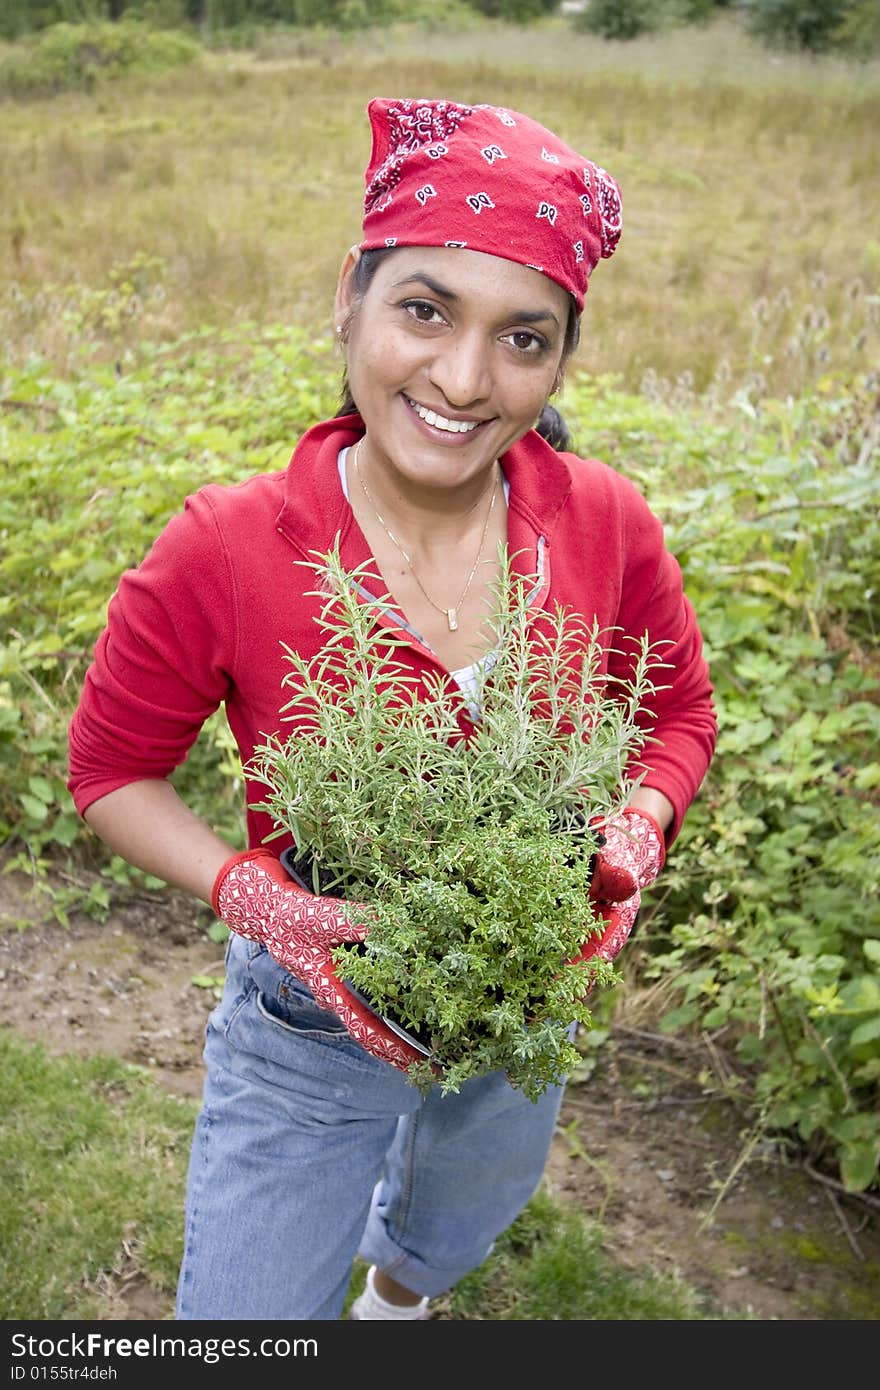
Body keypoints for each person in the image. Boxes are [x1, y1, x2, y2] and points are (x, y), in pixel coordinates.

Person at [67, 97, 717, 1322]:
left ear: (561, 360)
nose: (466, 380)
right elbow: (111, 770)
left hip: (528, 975)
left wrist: (634, 827)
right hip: (309, 1010)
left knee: (467, 1201)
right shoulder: (228, 543)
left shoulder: (605, 521)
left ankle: (399, 1299)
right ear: (348, 303)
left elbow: (677, 714)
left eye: (523, 339)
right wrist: (256, 896)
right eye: (424, 309)